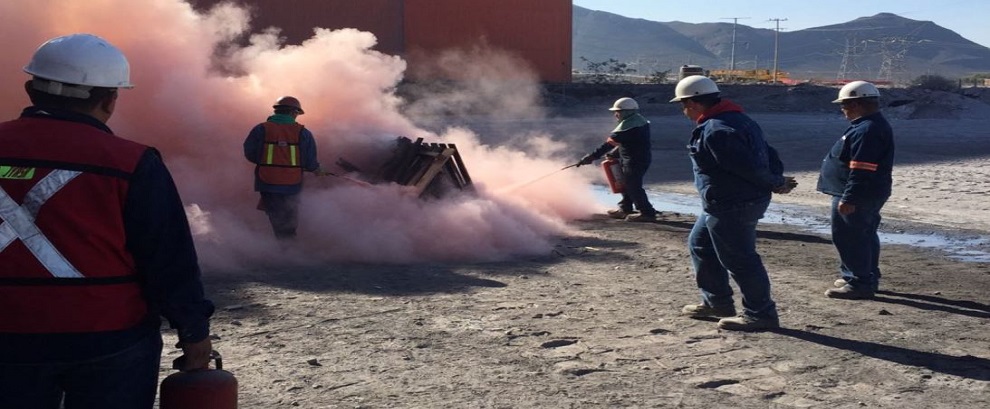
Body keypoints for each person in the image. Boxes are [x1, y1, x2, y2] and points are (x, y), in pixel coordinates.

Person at [0, 33, 215, 408]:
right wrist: (194, 333)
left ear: (30, 88)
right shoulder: (131, 162)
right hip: (108, 337)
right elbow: (168, 258)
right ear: (110, 99)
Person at [670, 75, 797, 331]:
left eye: (683, 105)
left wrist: (775, 181)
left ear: (693, 103)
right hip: (723, 202)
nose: (683, 110)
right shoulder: (737, 119)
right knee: (701, 244)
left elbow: (746, 167)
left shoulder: (718, 130)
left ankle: (760, 314)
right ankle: (717, 302)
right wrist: (776, 179)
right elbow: (769, 154)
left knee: (740, 259)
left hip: (733, 202)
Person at [818, 81, 894, 300]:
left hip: (856, 193)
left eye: (845, 106)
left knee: (850, 236)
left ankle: (859, 281)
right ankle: (865, 275)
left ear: (858, 104)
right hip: (863, 192)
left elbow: (862, 168)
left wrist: (850, 197)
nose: (843, 110)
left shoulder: (867, 129)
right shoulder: (867, 125)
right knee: (864, 234)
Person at [243, 96, 324, 239]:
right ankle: (288, 245)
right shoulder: (303, 133)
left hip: (267, 180)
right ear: (293, 112)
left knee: (275, 213)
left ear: (276, 111)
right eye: (296, 113)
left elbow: (250, 153)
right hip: (292, 183)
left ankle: (283, 244)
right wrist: (316, 169)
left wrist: (267, 163)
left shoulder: (260, 129)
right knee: (290, 213)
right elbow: (310, 161)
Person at [576, 97, 658, 222]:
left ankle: (647, 212)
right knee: (627, 183)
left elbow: (608, 145)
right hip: (635, 158)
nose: (616, 115)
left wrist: (591, 157)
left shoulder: (628, 126)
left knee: (633, 186)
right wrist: (615, 154)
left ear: (627, 112)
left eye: (618, 112)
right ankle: (625, 208)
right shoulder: (638, 121)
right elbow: (628, 143)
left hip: (635, 160)